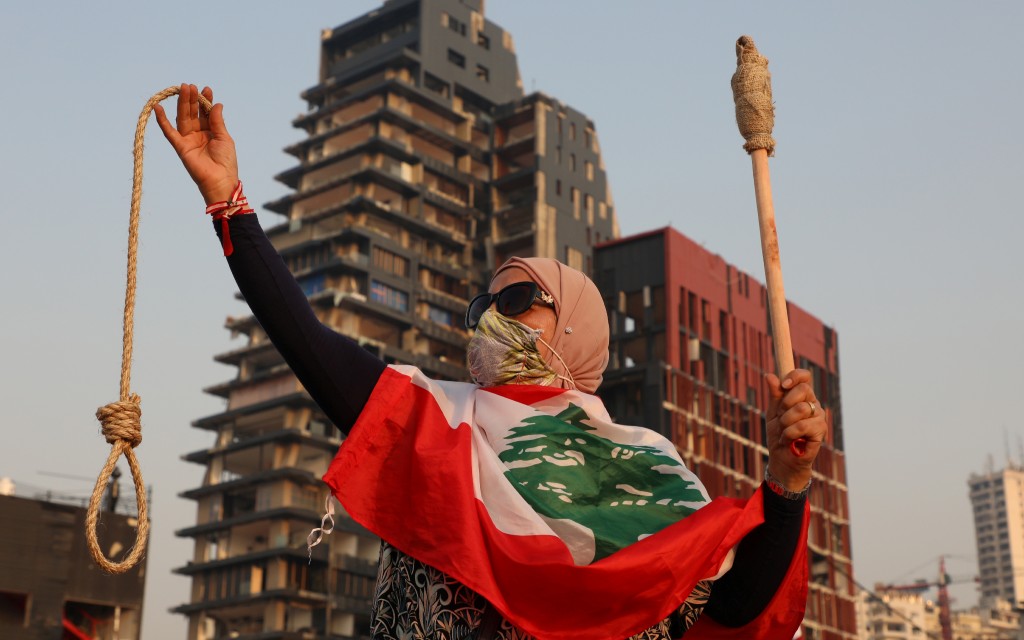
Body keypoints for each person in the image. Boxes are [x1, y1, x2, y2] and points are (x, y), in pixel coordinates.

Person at [156, 84, 827, 640]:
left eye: (516, 298)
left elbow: (733, 605)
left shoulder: (645, 463)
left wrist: (789, 480)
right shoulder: (436, 421)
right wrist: (228, 200)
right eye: (485, 301)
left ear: (574, 328)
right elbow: (311, 345)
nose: (491, 316)